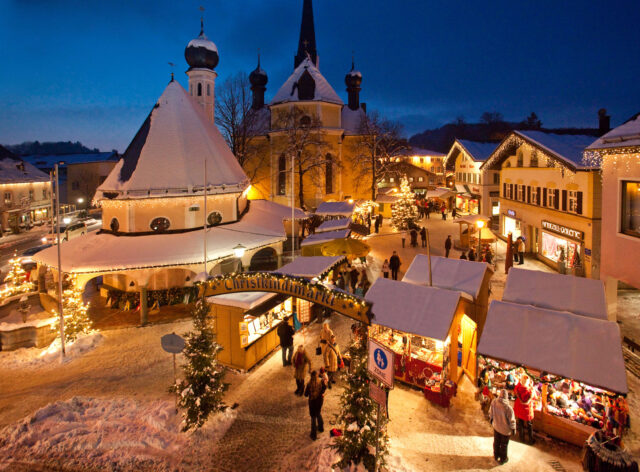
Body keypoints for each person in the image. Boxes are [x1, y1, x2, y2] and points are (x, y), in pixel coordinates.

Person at [490, 389, 516, 464]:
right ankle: (503, 459)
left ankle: (496, 455)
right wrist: (513, 429)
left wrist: (491, 420)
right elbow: (512, 420)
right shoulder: (508, 408)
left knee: (496, 442)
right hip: (505, 430)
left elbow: (491, 412)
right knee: (504, 445)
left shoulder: (494, 402)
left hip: (496, 427)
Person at [304, 370, 327, 440]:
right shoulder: (320, 381)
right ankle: (321, 427)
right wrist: (321, 392)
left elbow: (306, 394)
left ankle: (313, 434)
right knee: (318, 413)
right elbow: (324, 388)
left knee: (313, 416)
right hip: (319, 400)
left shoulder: (309, 384)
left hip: (312, 402)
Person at [514, 375, 535, 444]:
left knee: (520, 423)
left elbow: (515, 390)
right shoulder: (530, 389)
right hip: (527, 409)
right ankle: (531, 440)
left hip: (520, 407)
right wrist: (531, 386)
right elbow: (534, 396)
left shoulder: (518, 388)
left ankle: (521, 438)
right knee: (529, 424)